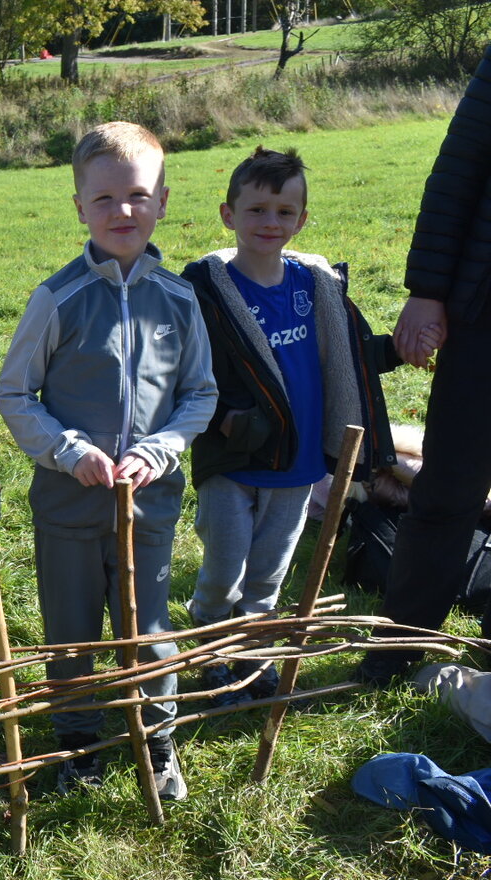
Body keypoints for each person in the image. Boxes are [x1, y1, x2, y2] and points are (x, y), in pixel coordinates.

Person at [0, 122, 217, 800]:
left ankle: (156, 738)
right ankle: (79, 744)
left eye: (139, 196)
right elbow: (13, 391)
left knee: (148, 627)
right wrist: (67, 449)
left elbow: (200, 391)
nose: (124, 212)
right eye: (105, 200)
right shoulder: (58, 298)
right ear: (79, 207)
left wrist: (161, 447)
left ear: (164, 201)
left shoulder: (179, 299)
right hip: (69, 505)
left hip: (148, 504)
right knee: (70, 632)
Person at [183, 146, 412, 706]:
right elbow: (182, 373)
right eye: (257, 209)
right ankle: (208, 654)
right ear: (228, 214)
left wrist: (404, 348)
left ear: (302, 220)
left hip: (300, 464)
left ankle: (251, 662)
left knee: (267, 577)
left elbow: (352, 358)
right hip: (233, 462)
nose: (271, 222)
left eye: (285, 212)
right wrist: (225, 420)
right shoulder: (206, 292)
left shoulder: (317, 287)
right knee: (221, 573)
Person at [355, 46, 488, 686]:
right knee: (448, 490)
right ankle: (397, 651)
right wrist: (429, 288)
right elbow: (460, 170)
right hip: (485, 311)